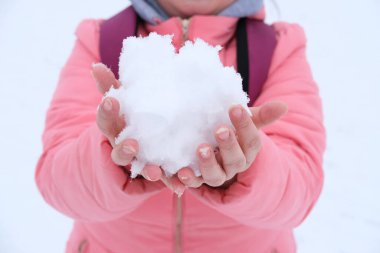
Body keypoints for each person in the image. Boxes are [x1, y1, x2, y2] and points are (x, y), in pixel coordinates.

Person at [35, 0, 326, 252]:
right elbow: (56, 181)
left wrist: (243, 169)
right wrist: (115, 157)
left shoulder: (277, 48)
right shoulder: (101, 41)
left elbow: (300, 191)